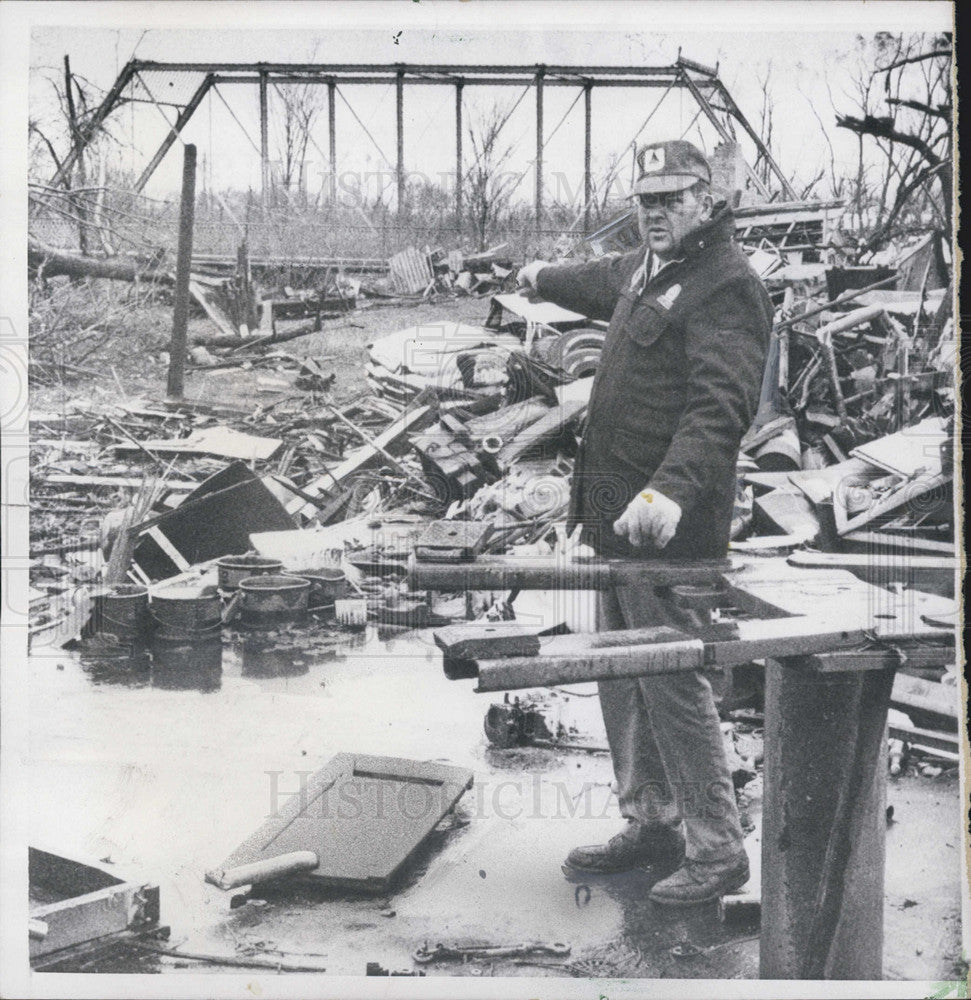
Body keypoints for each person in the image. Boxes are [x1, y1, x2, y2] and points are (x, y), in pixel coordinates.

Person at [518, 140, 773, 906]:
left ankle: (717, 848)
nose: (654, 212)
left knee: (672, 685)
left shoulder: (726, 285)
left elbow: (718, 407)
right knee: (623, 678)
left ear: (707, 199)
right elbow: (595, 282)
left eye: (670, 199)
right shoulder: (644, 268)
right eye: (644, 199)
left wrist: (669, 494)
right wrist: (535, 274)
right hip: (609, 521)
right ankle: (652, 823)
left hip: (666, 528)